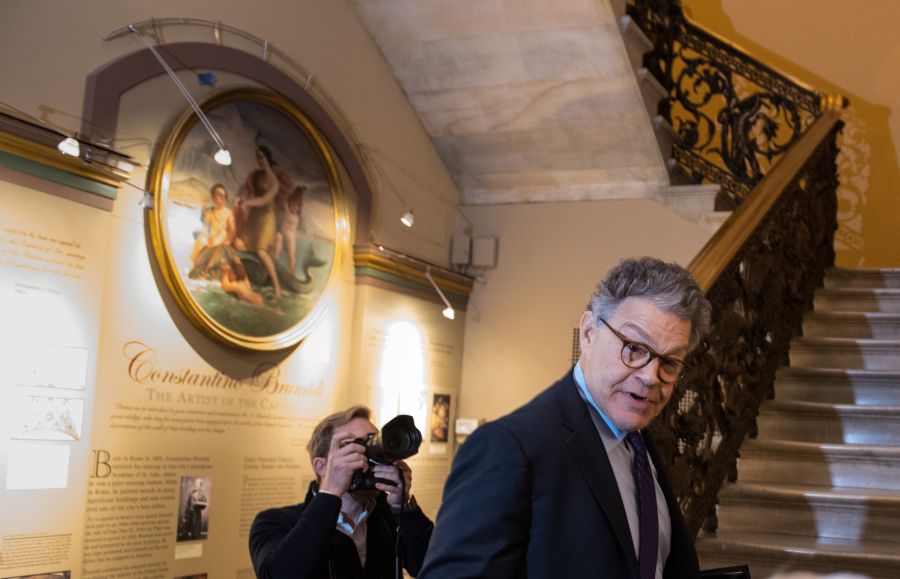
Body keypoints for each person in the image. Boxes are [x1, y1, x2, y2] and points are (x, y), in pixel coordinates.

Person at [419, 257, 712, 579]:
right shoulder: (509, 449)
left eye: (669, 362)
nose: (650, 376)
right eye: (633, 348)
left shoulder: (642, 447)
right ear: (588, 333)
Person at [249, 406, 434, 579]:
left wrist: (403, 506)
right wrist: (331, 493)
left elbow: (433, 568)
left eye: (372, 445)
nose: (367, 458)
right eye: (353, 447)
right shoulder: (275, 522)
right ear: (321, 467)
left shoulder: (388, 516)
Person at [189, 183, 236, 278]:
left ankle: (207, 269)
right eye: (218, 195)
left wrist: (229, 239)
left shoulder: (228, 212)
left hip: (222, 234)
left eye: (223, 195)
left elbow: (232, 230)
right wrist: (205, 235)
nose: (221, 198)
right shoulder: (210, 211)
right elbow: (206, 226)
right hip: (211, 234)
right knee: (201, 240)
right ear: (214, 198)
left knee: (217, 244)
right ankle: (195, 264)